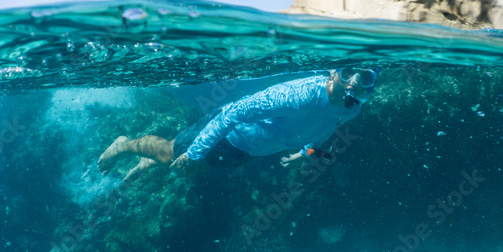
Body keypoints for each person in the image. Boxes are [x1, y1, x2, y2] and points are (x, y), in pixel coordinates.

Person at [98, 68, 378, 184]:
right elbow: (231, 113)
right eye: (346, 72)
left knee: (184, 166)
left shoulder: (353, 108)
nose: (353, 82)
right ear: (333, 72)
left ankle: (149, 163)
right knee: (170, 152)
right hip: (229, 135)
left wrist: (305, 153)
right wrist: (194, 153)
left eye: (364, 77)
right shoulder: (300, 95)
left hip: (249, 150)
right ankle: (122, 146)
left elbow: (322, 130)